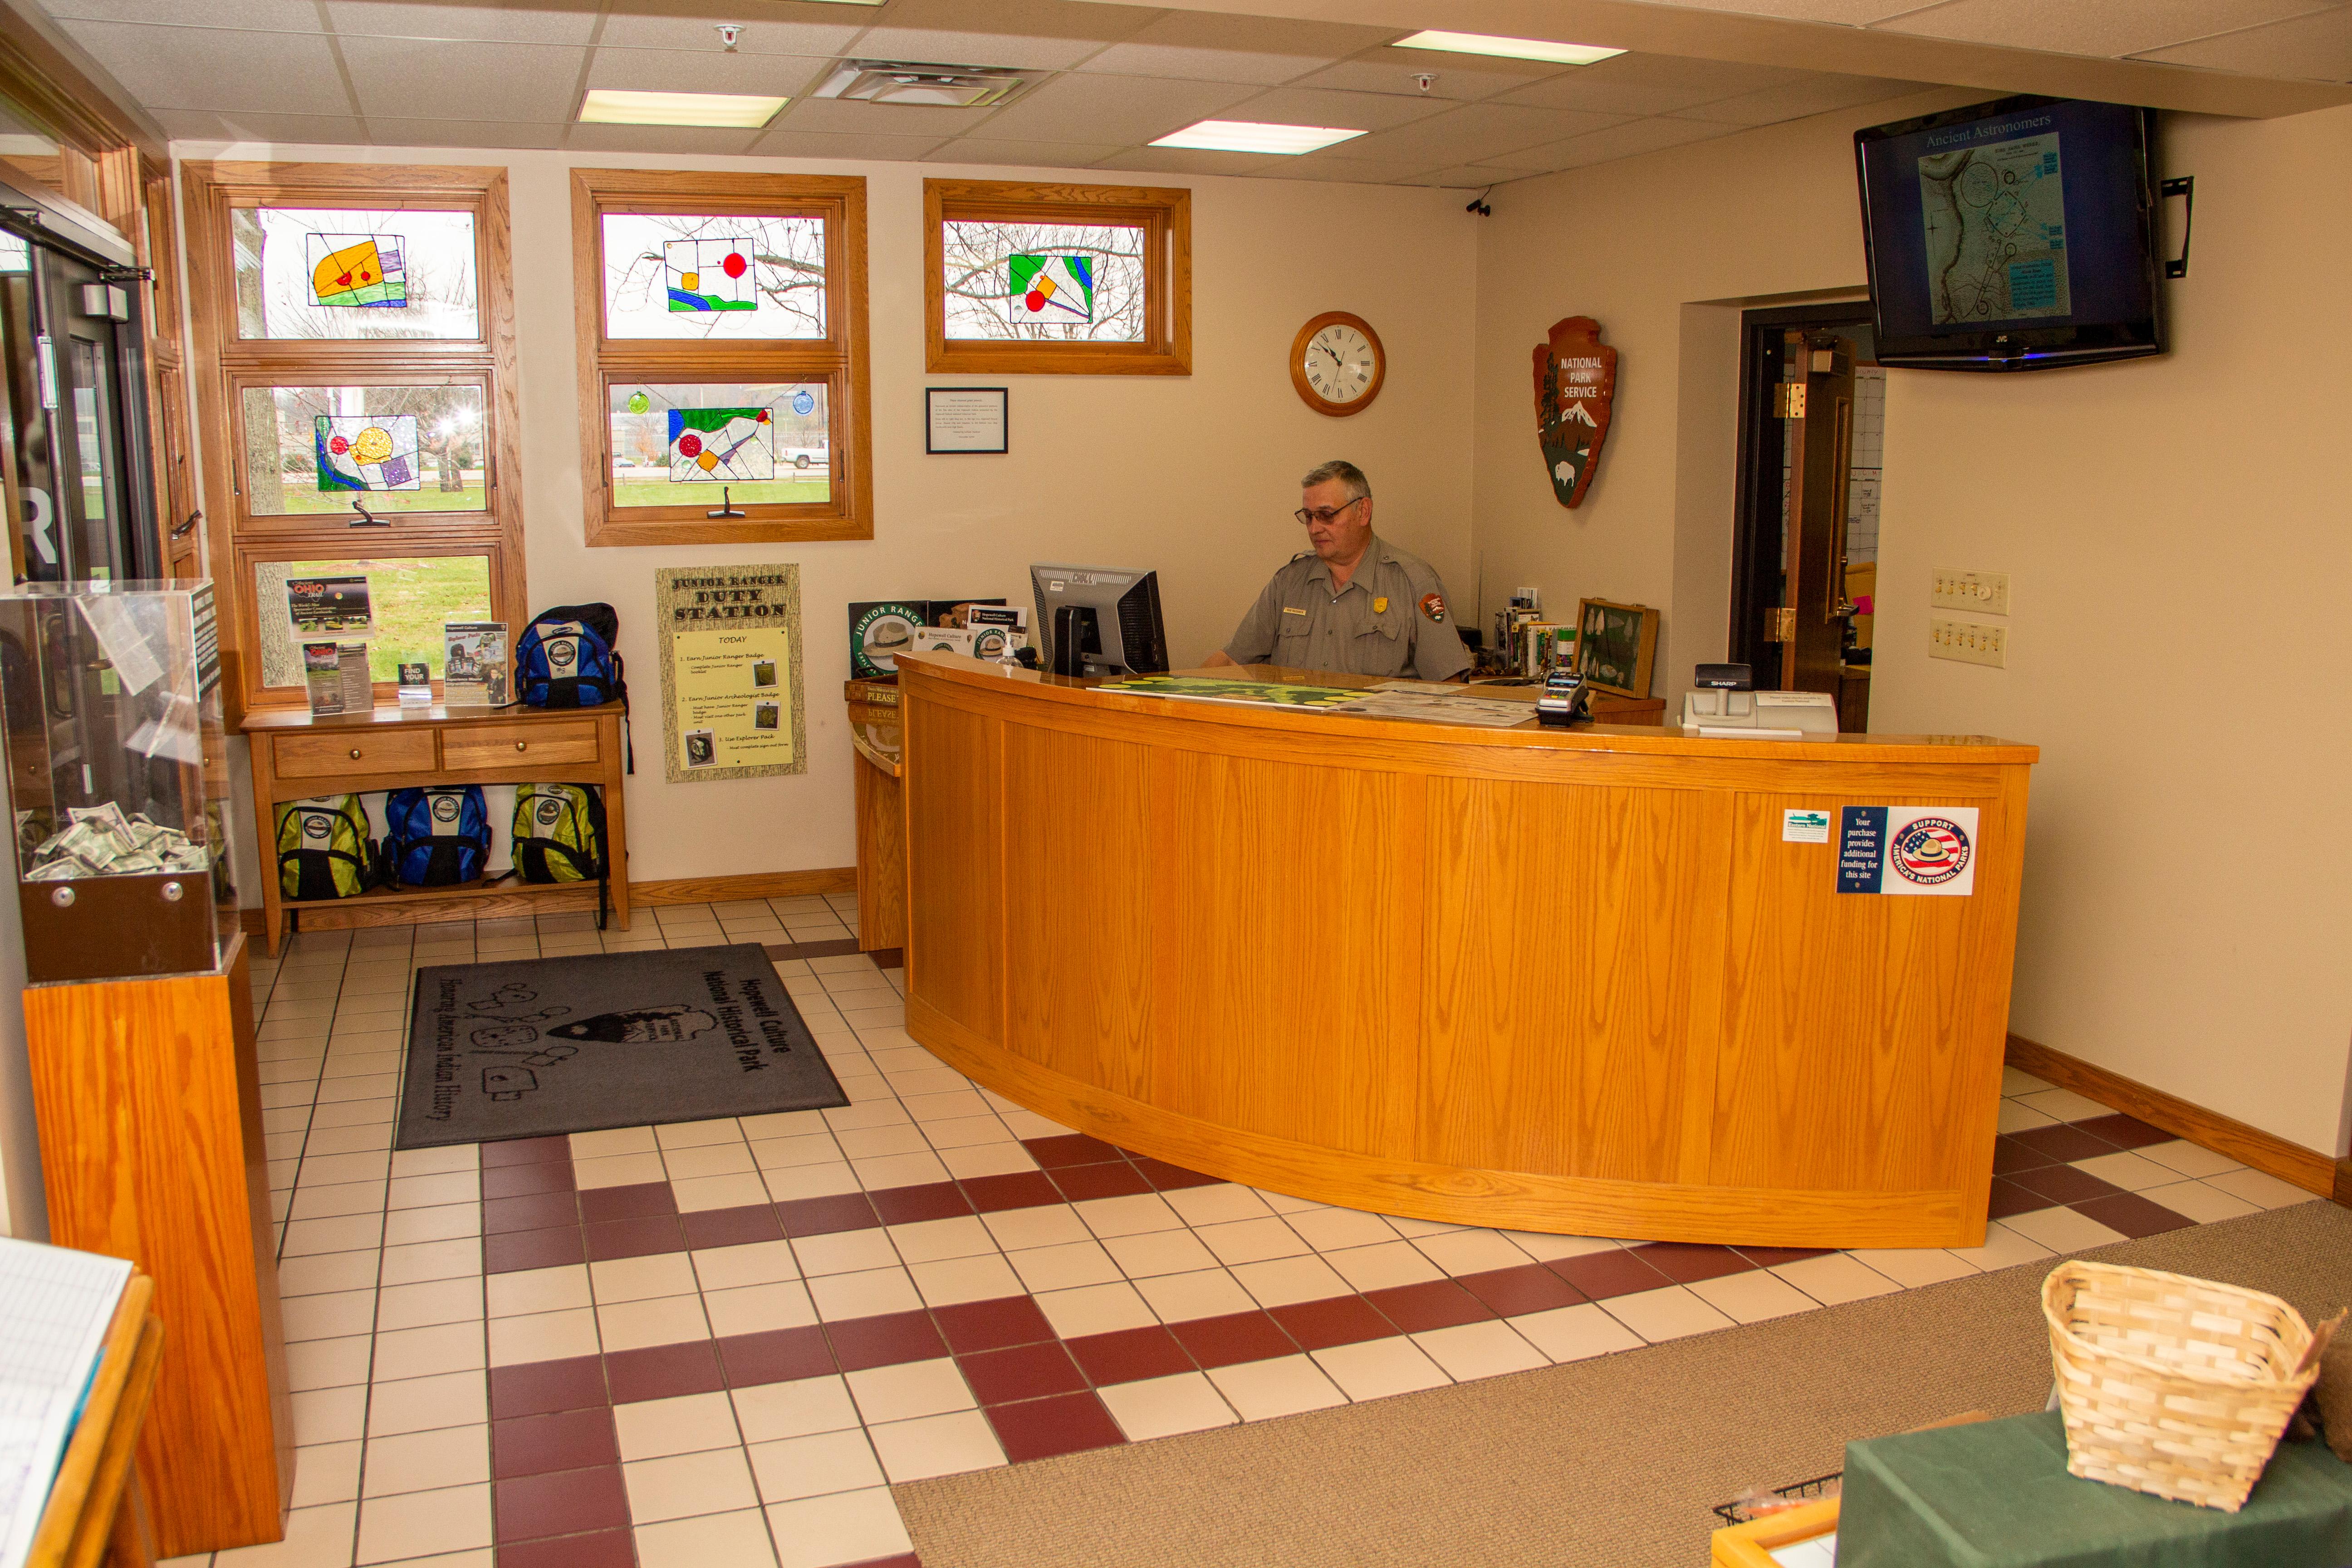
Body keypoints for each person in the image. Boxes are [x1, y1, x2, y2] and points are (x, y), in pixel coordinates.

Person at [1204, 460, 1472, 681]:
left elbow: (1448, 684)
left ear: (1363, 512)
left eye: (1327, 515)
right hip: (1296, 736)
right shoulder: (1289, 582)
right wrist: (1170, 694)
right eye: (1308, 516)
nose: (1314, 528)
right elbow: (1232, 658)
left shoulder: (1413, 582)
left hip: (1374, 739)